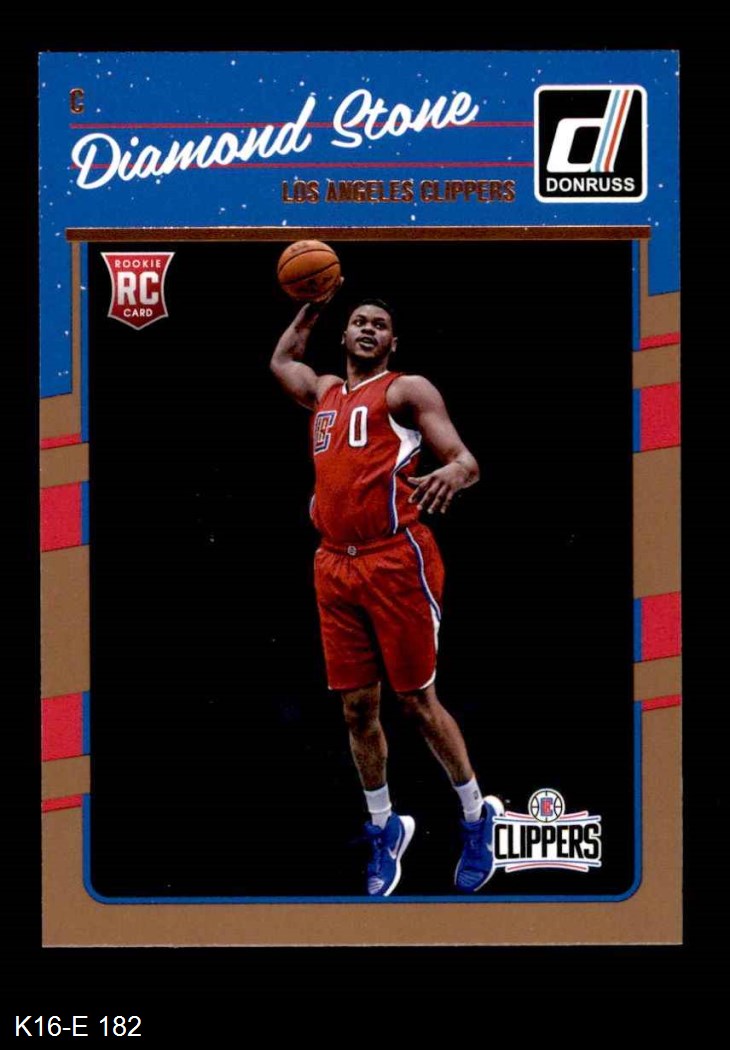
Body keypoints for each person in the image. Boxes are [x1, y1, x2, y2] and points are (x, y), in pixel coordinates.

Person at [270, 286, 503, 896]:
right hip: (333, 565)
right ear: (343, 336)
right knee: (356, 709)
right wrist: (310, 310)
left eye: (380, 324)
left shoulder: (405, 390)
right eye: (358, 322)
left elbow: (466, 460)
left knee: (417, 702)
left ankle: (476, 815)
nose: (368, 328)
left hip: (396, 561)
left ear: (393, 342)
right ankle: (384, 826)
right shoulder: (324, 392)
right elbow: (282, 362)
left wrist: (454, 472)